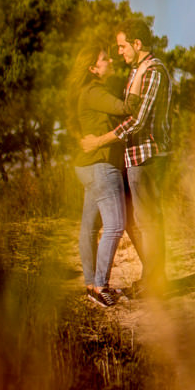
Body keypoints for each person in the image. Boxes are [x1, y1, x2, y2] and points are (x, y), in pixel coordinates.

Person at [82, 30, 172, 296]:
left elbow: (138, 120)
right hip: (132, 156)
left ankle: (156, 284)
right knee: (135, 221)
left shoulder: (153, 71)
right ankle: (152, 278)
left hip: (147, 155)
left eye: (122, 46)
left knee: (149, 222)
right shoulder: (136, 71)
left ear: (137, 43)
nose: (118, 52)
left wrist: (99, 141)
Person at [71, 42, 132, 308]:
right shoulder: (94, 91)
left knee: (90, 227)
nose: (111, 61)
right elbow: (124, 108)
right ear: (93, 68)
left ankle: (90, 284)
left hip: (88, 166)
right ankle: (100, 287)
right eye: (105, 59)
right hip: (101, 165)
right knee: (116, 225)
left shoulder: (85, 92)